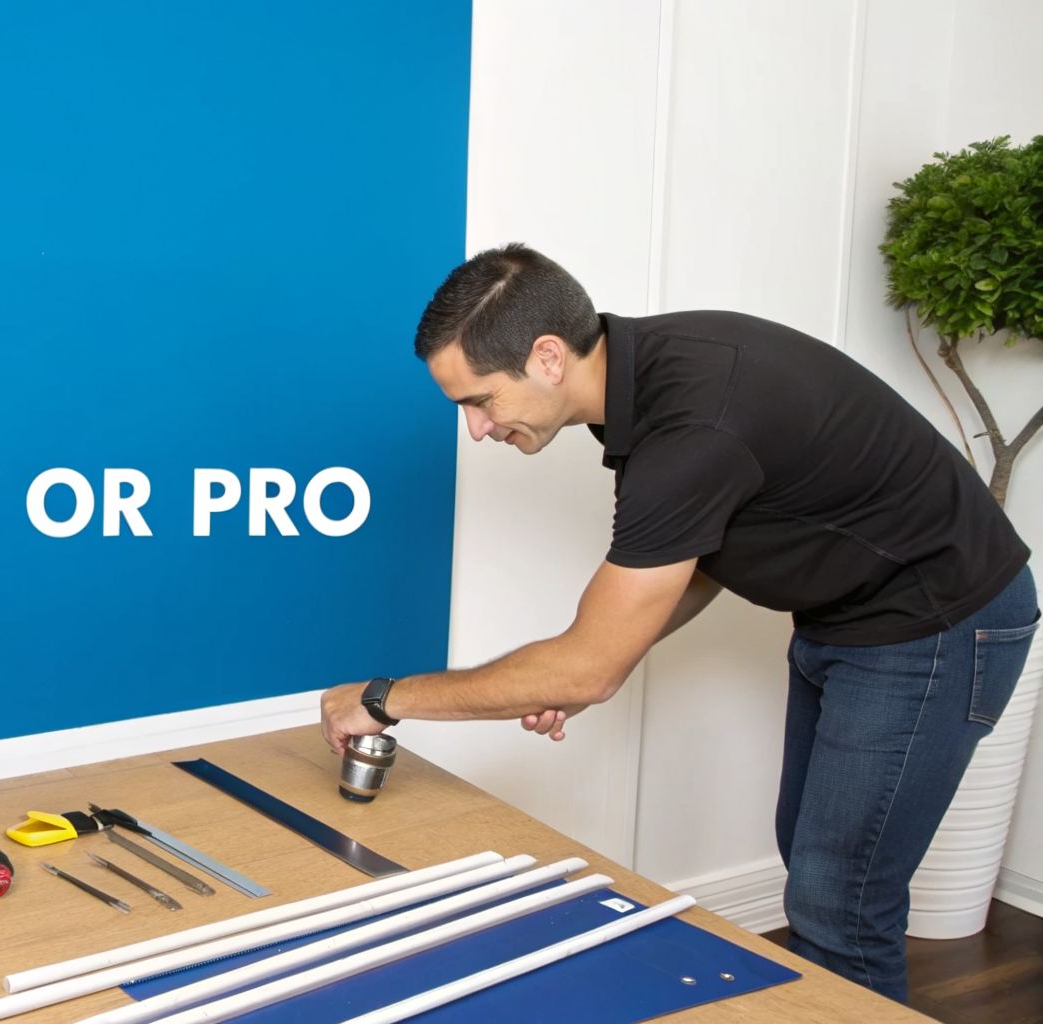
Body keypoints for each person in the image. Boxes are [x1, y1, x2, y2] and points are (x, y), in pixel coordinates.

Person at [319, 243, 1038, 1001]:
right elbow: (694, 560)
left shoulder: (691, 426)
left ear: (549, 356)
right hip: (849, 619)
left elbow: (588, 666)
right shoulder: (651, 380)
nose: (476, 428)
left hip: (934, 627)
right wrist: (594, 658)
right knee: (816, 859)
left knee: (842, 905)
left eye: (482, 399)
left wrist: (380, 697)